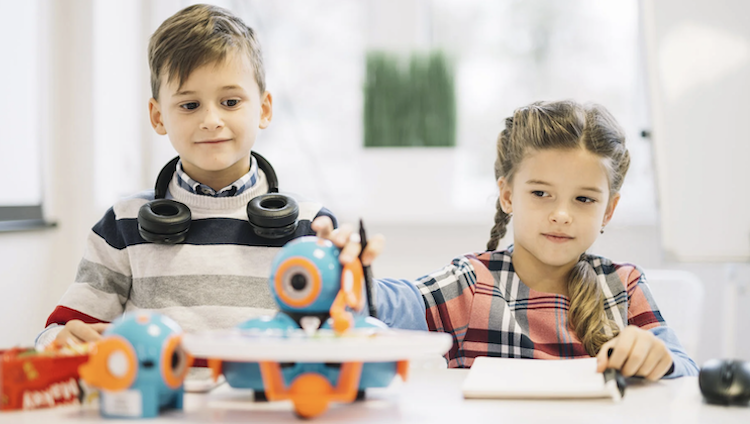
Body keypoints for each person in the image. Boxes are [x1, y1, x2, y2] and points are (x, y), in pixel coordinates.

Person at [313, 100, 698, 380]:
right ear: (509, 195)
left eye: (584, 199)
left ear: (608, 211)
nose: (562, 214)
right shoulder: (474, 284)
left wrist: (658, 358)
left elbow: (684, 371)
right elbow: (384, 304)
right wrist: (341, 271)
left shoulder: (624, 287)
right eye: (541, 193)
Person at [37, 4, 336, 348]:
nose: (211, 119)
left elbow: (347, 333)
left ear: (264, 109)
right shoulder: (122, 225)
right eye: (190, 105)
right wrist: (58, 341)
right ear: (158, 116)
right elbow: (59, 334)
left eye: (230, 101)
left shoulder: (313, 227)